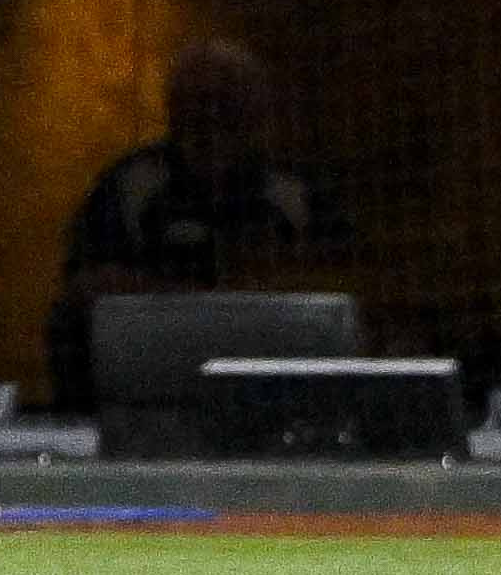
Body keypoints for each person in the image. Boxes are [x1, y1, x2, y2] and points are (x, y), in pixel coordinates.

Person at [46, 42, 342, 408]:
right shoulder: (131, 183)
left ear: (253, 113)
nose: (211, 116)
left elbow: (336, 284)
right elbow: (88, 283)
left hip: (270, 379)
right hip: (151, 375)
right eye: (198, 102)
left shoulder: (295, 190)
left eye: (227, 102)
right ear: (174, 110)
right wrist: (189, 303)